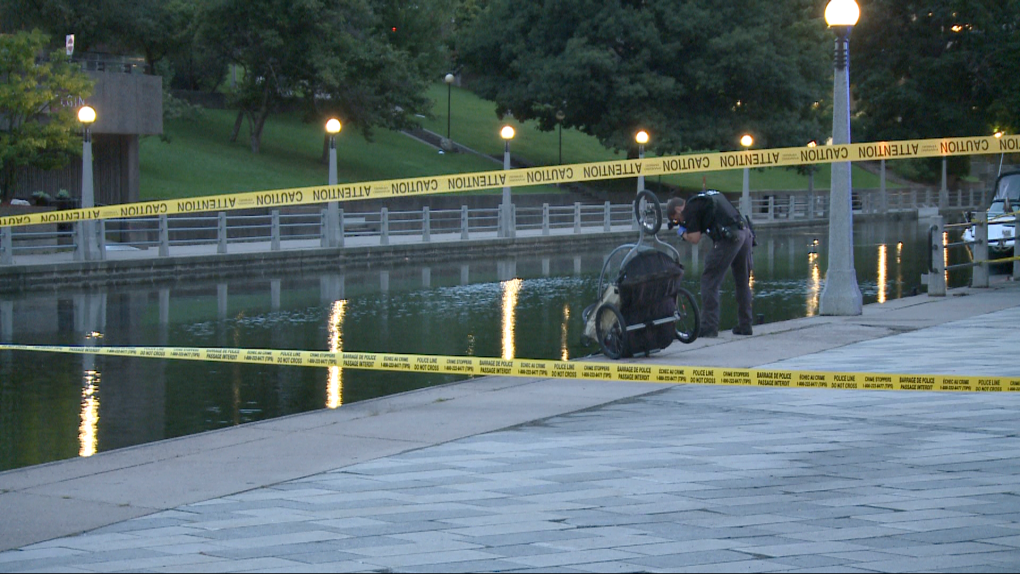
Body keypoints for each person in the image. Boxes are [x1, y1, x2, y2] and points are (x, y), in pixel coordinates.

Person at [666, 191, 754, 337]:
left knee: (709, 280)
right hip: (744, 233)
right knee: (742, 282)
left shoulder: (690, 210)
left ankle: (709, 327)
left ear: (678, 209)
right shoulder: (705, 198)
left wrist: (682, 233)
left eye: (676, 220)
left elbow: (694, 238)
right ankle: (745, 325)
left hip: (729, 238)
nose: (679, 222)